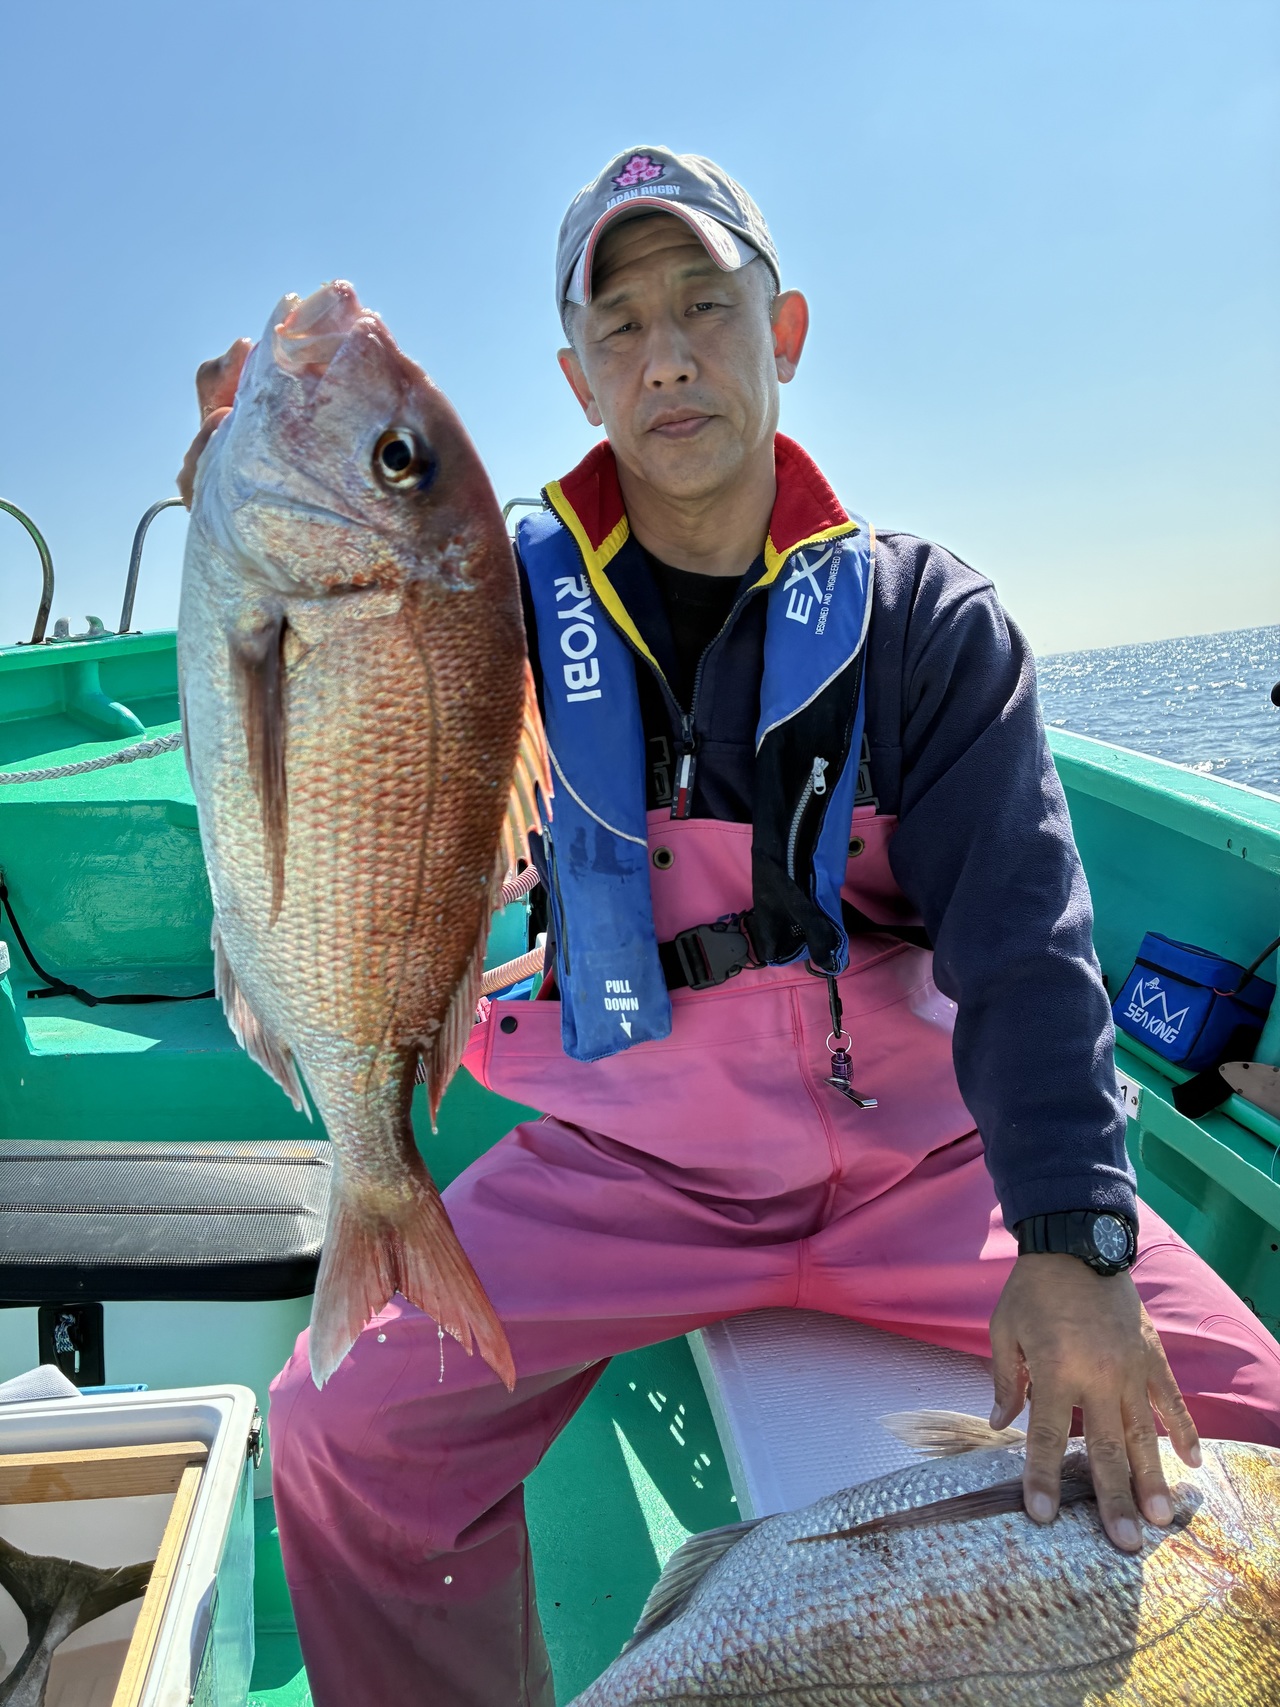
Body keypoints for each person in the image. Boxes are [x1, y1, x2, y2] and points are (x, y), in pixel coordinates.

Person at [185, 147, 1280, 1706]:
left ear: (788, 332)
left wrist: (1076, 1240)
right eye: (621, 325)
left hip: (929, 1171)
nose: (669, 356)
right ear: (577, 380)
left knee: (1249, 1439)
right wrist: (235, 512)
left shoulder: (927, 624)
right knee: (341, 1431)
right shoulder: (479, 605)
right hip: (629, 1168)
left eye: (707, 305)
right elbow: (334, 704)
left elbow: (1029, 949)